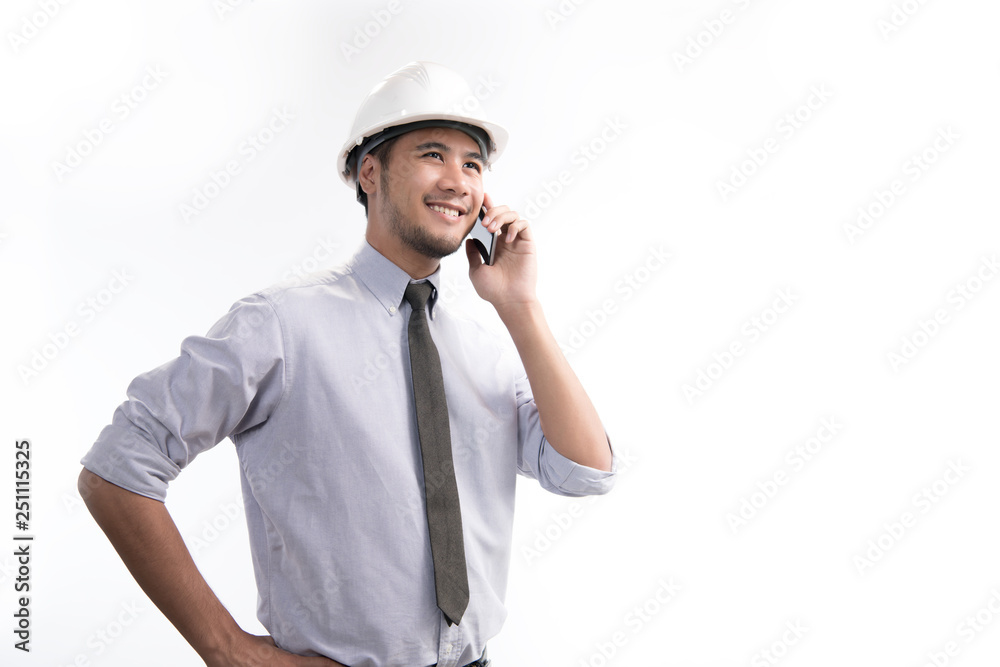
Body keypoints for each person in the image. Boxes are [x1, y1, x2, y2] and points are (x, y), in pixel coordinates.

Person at [78, 61, 616, 667]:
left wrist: (521, 306)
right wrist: (227, 650)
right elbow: (117, 466)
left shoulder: (488, 346)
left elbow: (585, 473)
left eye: (473, 164)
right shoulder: (279, 325)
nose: (458, 181)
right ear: (371, 171)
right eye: (432, 154)